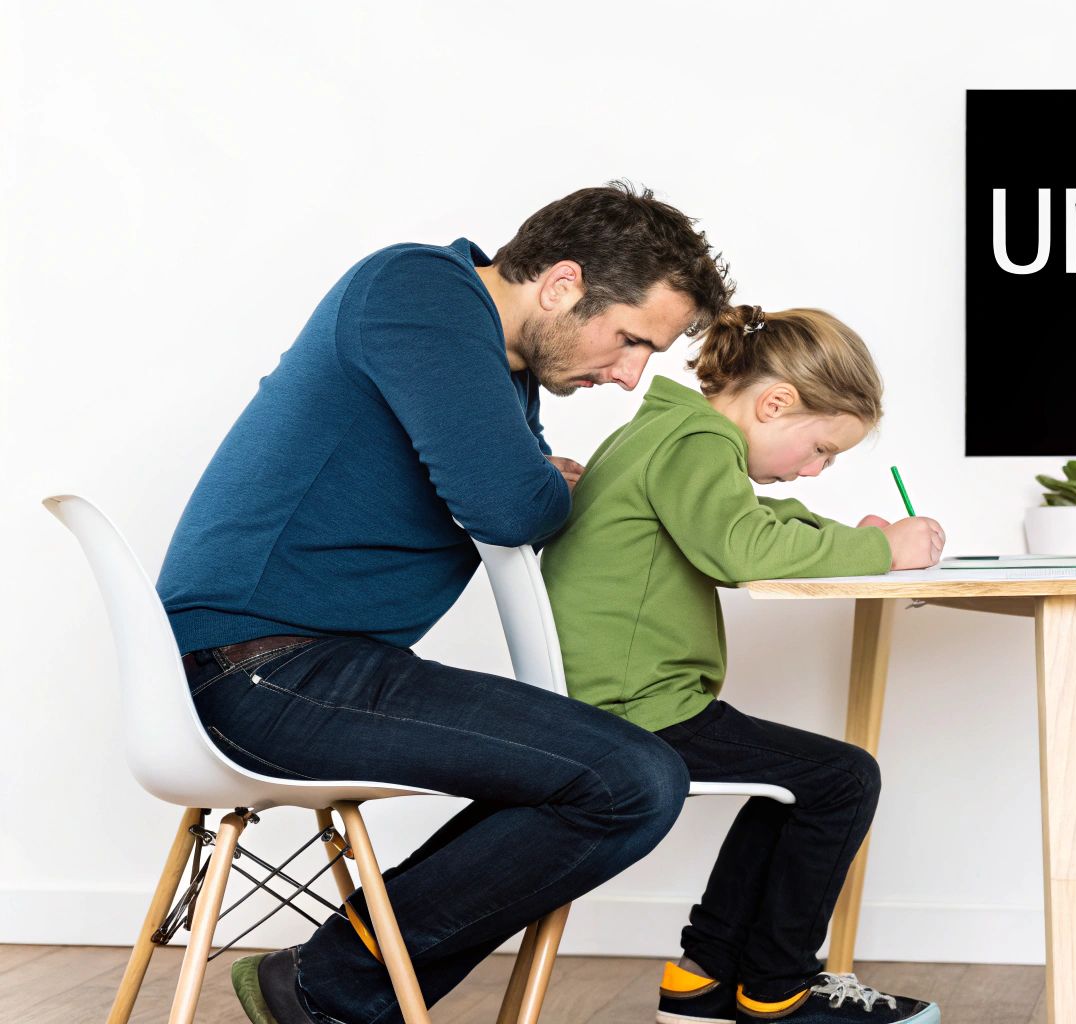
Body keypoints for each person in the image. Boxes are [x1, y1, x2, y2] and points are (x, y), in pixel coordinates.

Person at [156, 183, 732, 1024]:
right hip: (259, 667)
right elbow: (512, 506)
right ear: (563, 284)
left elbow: (511, 492)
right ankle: (331, 989)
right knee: (632, 776)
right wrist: (540, 481)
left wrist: (528, 478)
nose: (629, 374)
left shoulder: (502, 369)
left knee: (602, 767)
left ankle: (340, 988)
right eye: (630, 340)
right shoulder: (418, 291)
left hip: (317, 663)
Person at [540, 305, 945, 1024]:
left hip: (617, 698)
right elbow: (742, 547)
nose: (816, 471)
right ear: (776, 403)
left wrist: (850, 537)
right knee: (844, 778)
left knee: (793, 783)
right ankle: (779, 988)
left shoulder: (666, 433)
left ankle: (706, 977)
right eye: (821, 449)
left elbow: (750, 521)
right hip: (635, 710)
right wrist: (885, 552)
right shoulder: (695, 441)